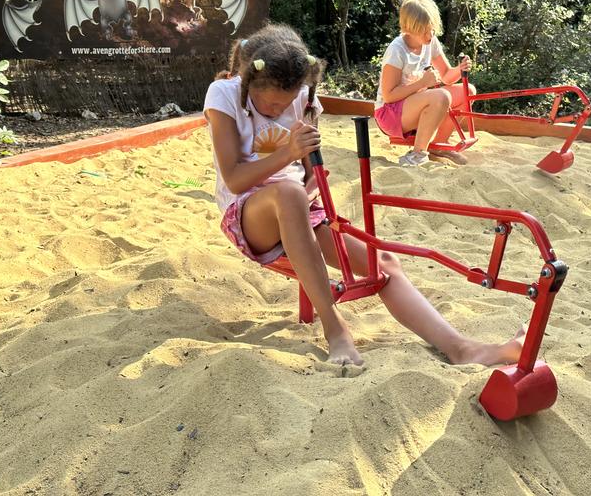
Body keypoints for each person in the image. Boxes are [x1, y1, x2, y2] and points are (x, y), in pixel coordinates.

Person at [203, 23, 523, 366]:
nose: (278, 110)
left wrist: (309, 187)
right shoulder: (224, 94)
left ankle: (461, 349)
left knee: (382, 264)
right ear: (248, 81)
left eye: (285, 104)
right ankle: (336, 330)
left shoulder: (303, 98)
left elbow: (312, 176)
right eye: (269, 104)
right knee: (288, 194)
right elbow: (234, 179)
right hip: (247, 216)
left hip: (299, 207)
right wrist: (288, 155)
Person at [375, 0, 475, 166]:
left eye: (432, 29)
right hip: (389, 113)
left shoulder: (430, 41)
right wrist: (422, 83)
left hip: (414, 105)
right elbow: (389, 96)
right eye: (424, 31)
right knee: (441, 96)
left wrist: (460, 69)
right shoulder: (397, 50)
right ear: (409, 28)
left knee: (468, 91)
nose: (430, 34)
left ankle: (438, 145)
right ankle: (417, 154)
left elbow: (446, 76)